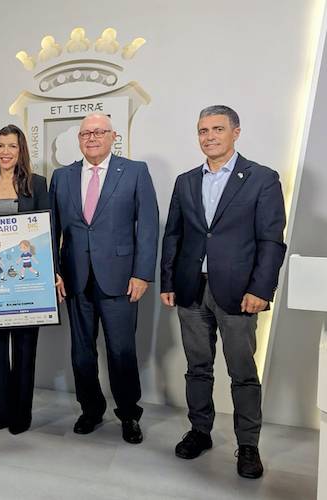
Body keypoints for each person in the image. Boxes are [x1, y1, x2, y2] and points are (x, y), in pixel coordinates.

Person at [160, 105, 286, 479]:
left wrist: (261, 289)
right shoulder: (186, 181)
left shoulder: (262, 178)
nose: (209, 136)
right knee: (197, 368)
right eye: (202, 130)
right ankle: (200, 431)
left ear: (236, 132)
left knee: (243, 372)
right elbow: (175, 236)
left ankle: (248, 445)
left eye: (217, 129)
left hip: (239, 293)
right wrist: (168, 281)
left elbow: (270, 241)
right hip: (191, 290)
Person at [49, 112, 158, 444]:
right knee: (82, 352)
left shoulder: (135, 171)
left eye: (99, 132)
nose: (92, 138)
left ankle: (128, 415)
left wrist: (142, 273)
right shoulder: (62, 177)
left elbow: (149, 225)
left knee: (121, 351)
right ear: (79, 140)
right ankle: (91, 409)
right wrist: (52, 270)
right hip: (75, 278)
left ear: (113, 137)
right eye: (85, 134)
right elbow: (50, 229)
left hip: (121, 278)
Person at [0, 124, 64, 435]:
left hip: (27, 279)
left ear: (21, 150)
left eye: (11, 146)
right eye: (0, 145)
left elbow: (48, 231)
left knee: (25, 347)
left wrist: (54, 270)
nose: (5, 152)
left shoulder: (37, 184)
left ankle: (20, 416)